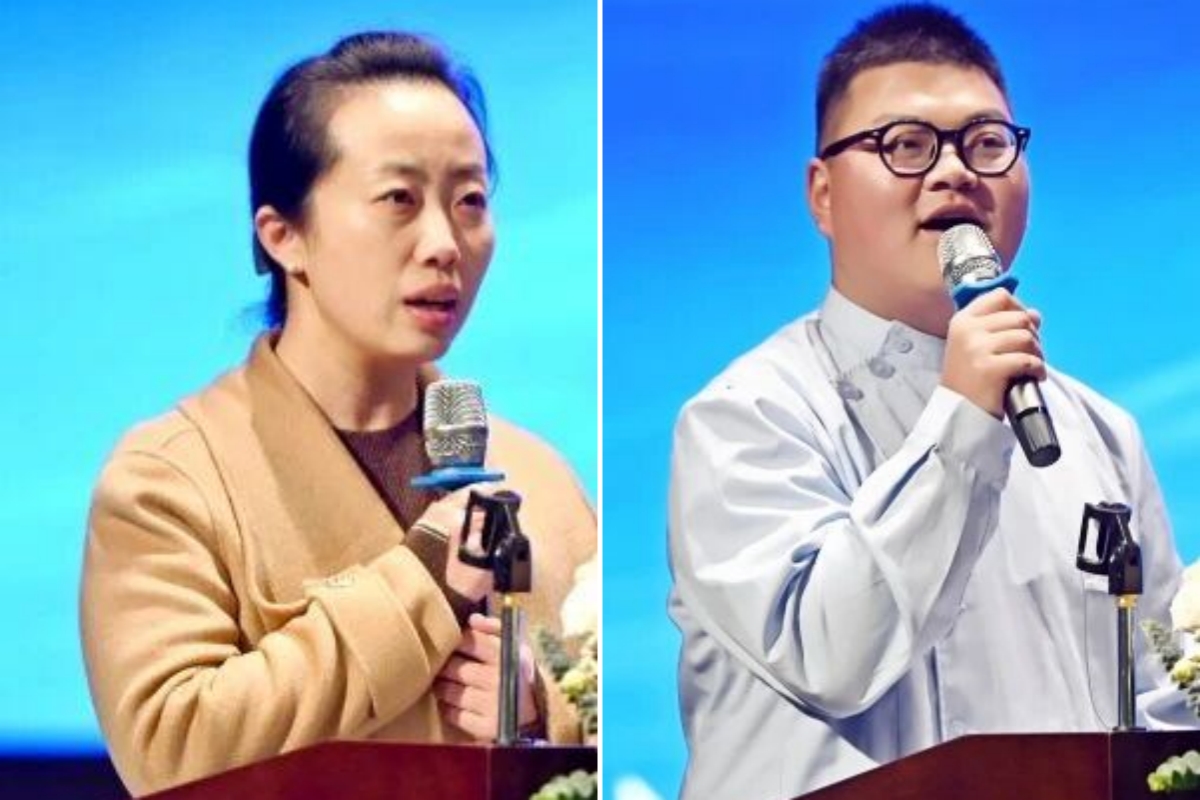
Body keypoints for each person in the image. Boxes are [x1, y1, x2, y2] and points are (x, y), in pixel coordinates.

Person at [667, 4, 1184, 798]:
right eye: (905, 145)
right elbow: (829, 657)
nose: (955, 172)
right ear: (822, 194)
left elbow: (1164, 702)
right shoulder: (746, 417)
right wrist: (964, 418)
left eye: (987, 143)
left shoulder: (1103, 434)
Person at [80, 31, 596, 796]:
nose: (444, 243)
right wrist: (424, 579)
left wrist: (539, 713)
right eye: (398, 200)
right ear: (283, 236)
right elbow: (172, 748)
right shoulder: (169, 480)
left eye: (470, 201)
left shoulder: (537, 478)